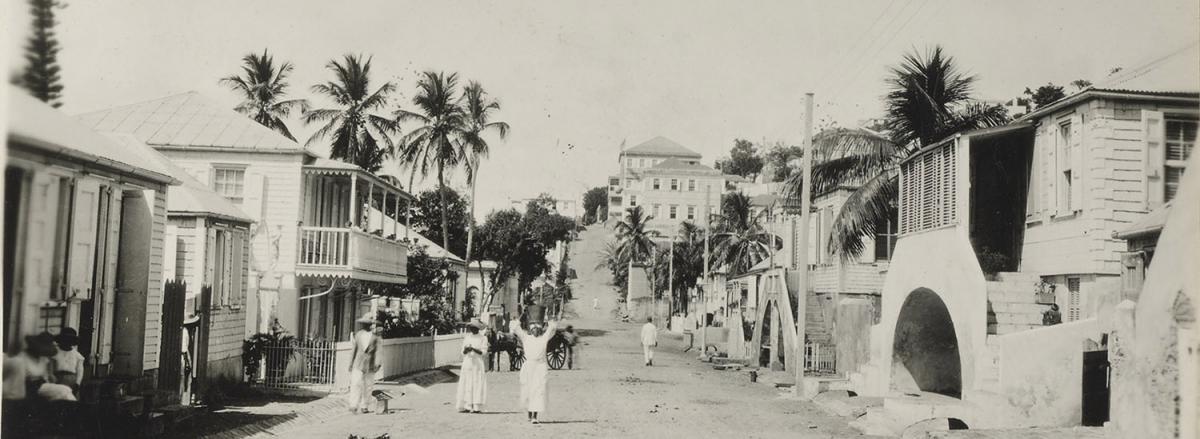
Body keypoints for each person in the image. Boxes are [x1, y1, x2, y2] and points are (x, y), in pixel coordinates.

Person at [511, 316, 558, 424]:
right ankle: (529, 413)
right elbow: (516, 328)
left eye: (538, 329)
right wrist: (519, 318)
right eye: (533, 329)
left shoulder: (544, 338)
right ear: (531, 330)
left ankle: (535, 416)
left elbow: (552, 329)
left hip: (540, 367)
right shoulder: (526, 338)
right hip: (529, 367)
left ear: (540, 330)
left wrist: (551, 320)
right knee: (528, 389)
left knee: (538, 390)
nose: (536, 331)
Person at [347, 314, 381, 414]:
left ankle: (364, 406)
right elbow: (354, 350)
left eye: (368, 324)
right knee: (355, 383)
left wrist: (377, 363)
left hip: (370, 364)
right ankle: (353, 405)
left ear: (371, 325)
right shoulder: (358, 335)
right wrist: (350, 363)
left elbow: (378, 351)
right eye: (364, 324)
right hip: (358, 363)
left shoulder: (375, 338)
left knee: (368, 385)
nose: (366, 326)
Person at [455, 320, 489, 413]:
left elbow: (483, 352)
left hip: (477, 363)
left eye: (474, 328)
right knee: (467, 382)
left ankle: (476, 406)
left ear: (478, 328)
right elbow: (462, 352)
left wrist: (473, 349)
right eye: (471, 328)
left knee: (477, 382)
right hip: (468, 362)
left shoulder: (483, 338)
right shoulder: (467, 337)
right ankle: (467, 405)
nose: (472, 329)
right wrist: (466, 350)